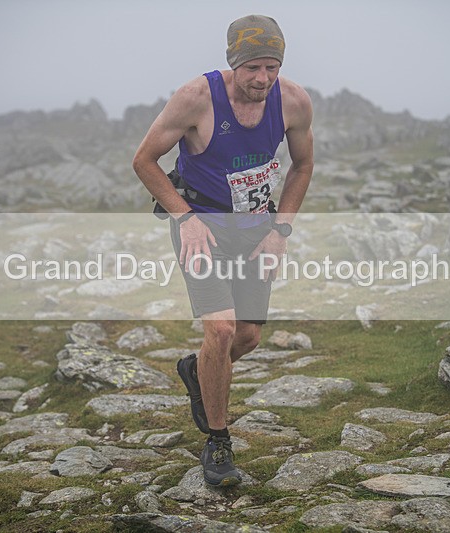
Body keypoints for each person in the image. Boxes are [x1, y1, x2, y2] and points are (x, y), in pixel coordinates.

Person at [132, 14, 314, 486]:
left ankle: (198, 371)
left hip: (256, 225)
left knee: (247, 337)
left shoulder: (293, 101)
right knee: (220, 330)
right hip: (202, 226)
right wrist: (184, 219)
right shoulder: (197, 98)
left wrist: (281, 231)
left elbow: (303, 165)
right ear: (234, 63)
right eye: (253, 67)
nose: (263, 79)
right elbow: (145, 160)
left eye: (272, 68)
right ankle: (218, 443)